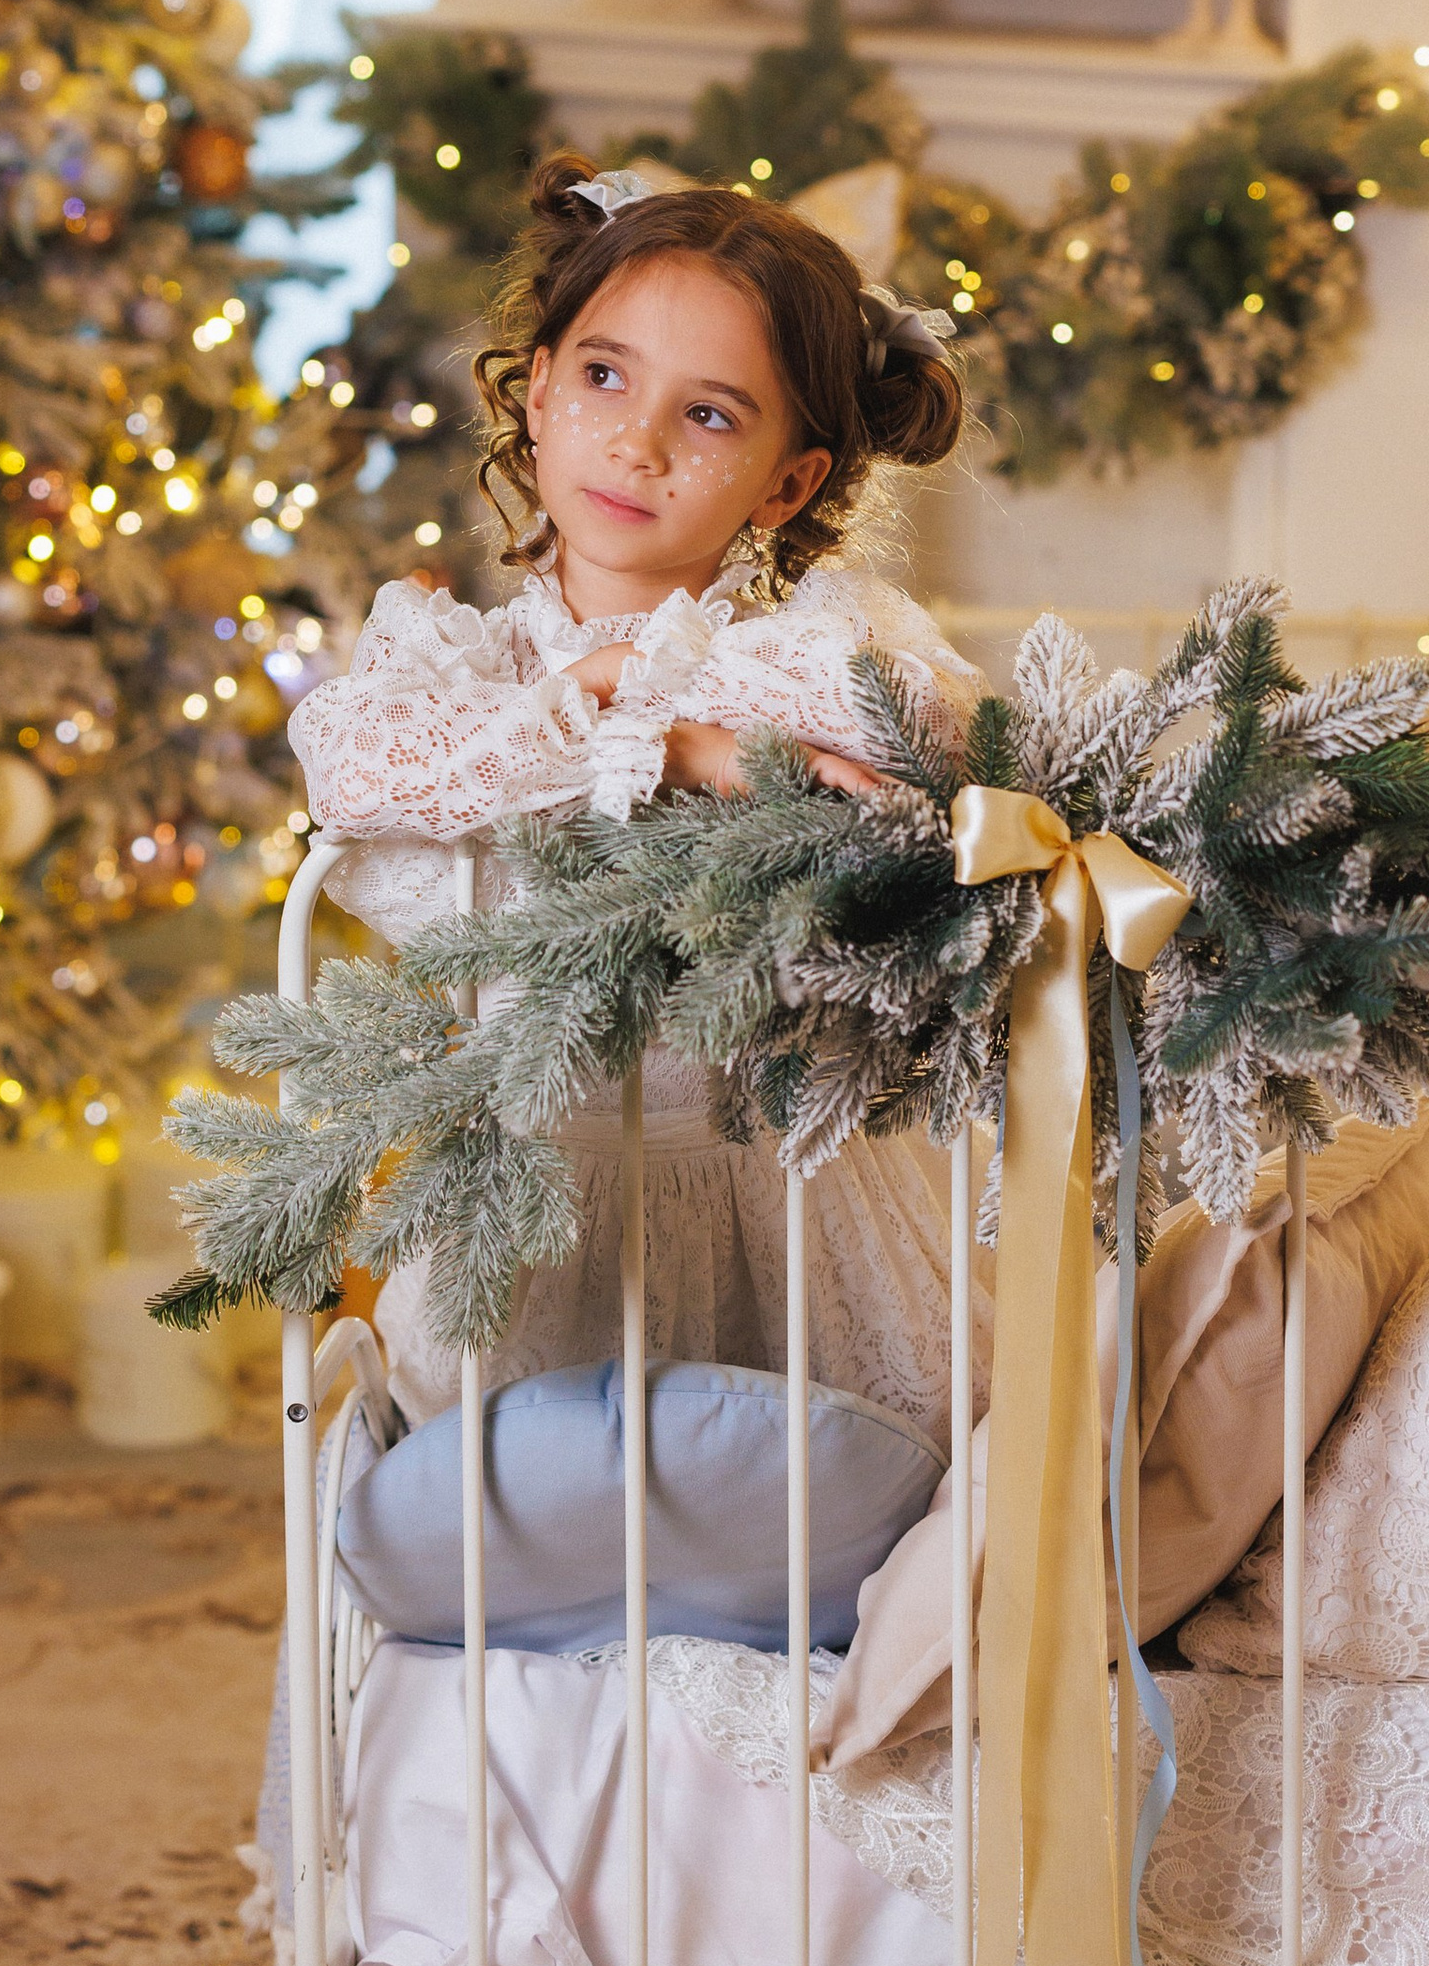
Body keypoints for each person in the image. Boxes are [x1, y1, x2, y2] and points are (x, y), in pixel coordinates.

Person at [287, 150, 991, 1445]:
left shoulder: (813, 642)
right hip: (537, 1200)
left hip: (794, 1194)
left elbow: (928, 731)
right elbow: (353, 766)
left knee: (842, 1489)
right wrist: (631, 717)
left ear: (787, 482)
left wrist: (672, 705)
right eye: (606, 376)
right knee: (511, 1502)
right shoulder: (464, 663)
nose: (638, 441)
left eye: (709, 415)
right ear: (538, 387)